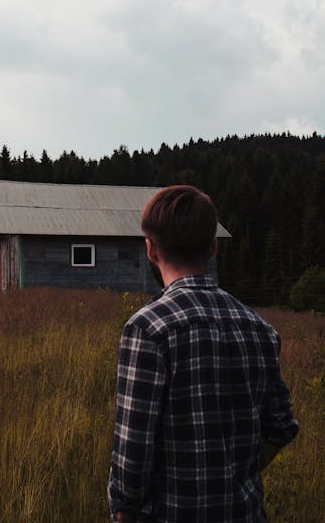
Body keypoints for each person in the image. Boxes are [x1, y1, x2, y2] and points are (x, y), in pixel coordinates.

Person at [108, 185, 299, 523]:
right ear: (213, 248)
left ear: (151, 250)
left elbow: (132, 457)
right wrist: (233, 475)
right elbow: (282, 427)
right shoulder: (261, 329)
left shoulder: (148, 329)